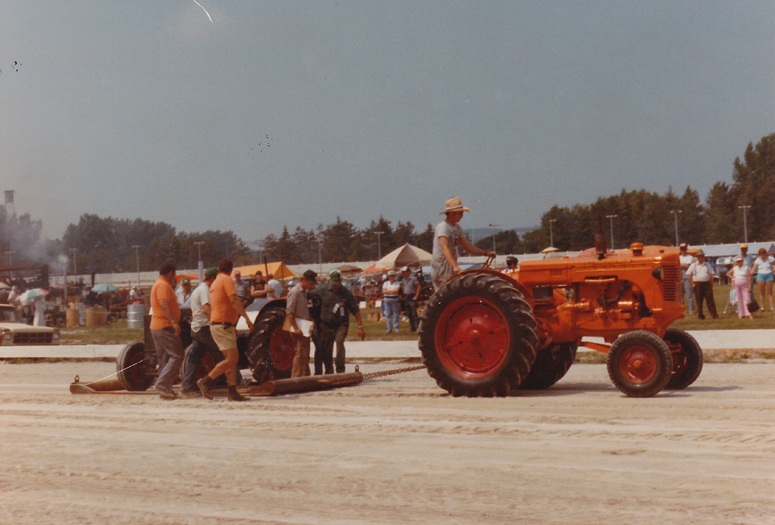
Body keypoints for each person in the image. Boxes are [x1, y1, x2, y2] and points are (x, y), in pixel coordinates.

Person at [197, 258, 254, 402]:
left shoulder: (215, 282)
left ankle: (232, 391)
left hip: (221, 325)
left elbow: (224, 304)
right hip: (222, 325)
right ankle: (205, 381)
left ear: (218, 269)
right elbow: (234, 300)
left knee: (230, 360)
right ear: (230, 270)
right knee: (232, 359)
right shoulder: (226, 280)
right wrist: (246, 318)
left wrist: (233, 324)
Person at [431, 197, 496, 291]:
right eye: (460, 213)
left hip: (450, 266)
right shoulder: (443, 227)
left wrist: (486, 253)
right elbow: (444, 248)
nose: (462, 215)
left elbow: (468, 247)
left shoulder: (457, 228)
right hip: (442, 268)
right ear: (452, 213)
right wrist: (455, 267)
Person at [309, 270, 366, 375]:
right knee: (326, 349)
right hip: (326, 325)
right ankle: (329, 371)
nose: (335, 287)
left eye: (337, 284)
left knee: (339, 342)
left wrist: (360, 327)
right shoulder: (322, 290)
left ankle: (340, 369)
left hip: (341, 324)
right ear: (330, 281)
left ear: (341, 282)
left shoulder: (346, 293)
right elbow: (308, 293)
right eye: (333, 284)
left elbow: (356, 310)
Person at [179, 267, 220, 398]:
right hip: (204, 327)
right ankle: (235, 382)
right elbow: (207, 308)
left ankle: (186, 387)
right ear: (213, 278)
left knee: (194, 359)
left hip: (196, 328)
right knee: (223, 354)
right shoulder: (205, 290)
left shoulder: (197, 289)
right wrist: (214, 322)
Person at [149, 262, 184, 400]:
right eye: (174, 274)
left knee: (164, 359)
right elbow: (164, 304)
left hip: (157, 326)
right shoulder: (163, 285)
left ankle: (165, 390)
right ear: (170, 273)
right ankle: (163, 384)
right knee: (178, 355)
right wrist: (174, 322)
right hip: (164, 326)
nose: (174, 278)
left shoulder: (158, 284)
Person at [285, 269, 318, 377]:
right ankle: (295, 378)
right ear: (305, 280)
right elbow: (289, 312)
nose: (312, 286)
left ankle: (304, 376)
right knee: (299, 354)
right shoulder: (295, 292)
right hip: (298, 326)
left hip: (304, 326)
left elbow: (303, 310)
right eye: (311, 283)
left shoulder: (303, 292)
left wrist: (311, 320)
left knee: (305, 354)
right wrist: (295, 328)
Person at [686, 249, 718, 320]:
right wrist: (692, 283)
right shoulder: (693, 265)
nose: (700, 257)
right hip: (697, 284)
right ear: (697, 257)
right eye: (699, 256)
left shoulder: (707, 265)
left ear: (703, 256)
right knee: (699, 301)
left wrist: (711, 283)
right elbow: (687, 275)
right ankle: (700, 315)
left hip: (706, 284)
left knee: (710, 300)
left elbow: (712, 274)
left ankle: (714, 314)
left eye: (701, 256)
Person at [400, 267, 421, 332]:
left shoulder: (413, 279)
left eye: (404, 272)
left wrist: (416, 296)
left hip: (412, 297)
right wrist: (404, 292)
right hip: (407, 297)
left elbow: (419, 287)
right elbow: (402, 285)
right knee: (408, 313)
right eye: (402, 272)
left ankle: (417, 327)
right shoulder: (403, 279)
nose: (403, 274)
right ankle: (412, 327)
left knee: (415, 313)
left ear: (408, 272)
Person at [678, 243, 696, 315]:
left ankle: (692, 310)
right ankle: (682, 310)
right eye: (681, 249)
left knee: (689, 295)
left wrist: (679, 265)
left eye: (684, 249)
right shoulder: (678, 257)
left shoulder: (690, 257)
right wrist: (683, 265)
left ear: (686, 249)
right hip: (679, 278)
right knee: (680, 296)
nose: (683, 250)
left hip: (687, 278)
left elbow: (688, 266)